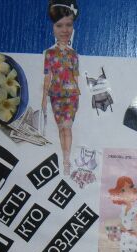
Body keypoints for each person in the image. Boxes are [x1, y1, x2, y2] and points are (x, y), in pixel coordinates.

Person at [42, 0, 80, 175]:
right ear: (53, 28)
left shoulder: (73, 54)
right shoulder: (49, 54)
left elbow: (76, 76)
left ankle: (66, 161)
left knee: (68, 127)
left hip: (71, 95)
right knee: (61, 128)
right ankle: (64, 157)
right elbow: (47, 76)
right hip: (56, 95)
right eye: (59, 26)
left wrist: (77, 95)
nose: (64, 30)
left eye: (68, 25)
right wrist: (44, 99)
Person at [108, 176, 137, 252]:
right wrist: (116, 230)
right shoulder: (123, 208)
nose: (124, 193)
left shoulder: (136, 210)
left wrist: (128, 231)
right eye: (122, 190)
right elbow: (119, 226)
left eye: (129, 188)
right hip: (122, 241)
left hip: (131, 242)